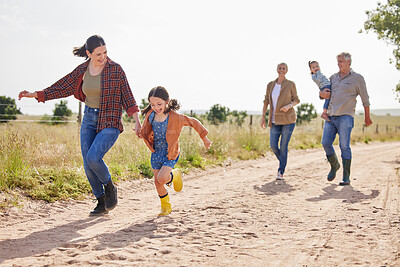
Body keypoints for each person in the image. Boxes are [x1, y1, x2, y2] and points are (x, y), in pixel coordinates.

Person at [18, 35, 142, 216]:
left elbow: (128, 97)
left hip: (110, 119)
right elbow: (61, 87)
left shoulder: (115, 70)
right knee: (87, 163)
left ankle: (109, 187)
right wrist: (35, 94)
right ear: (89, 53)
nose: (103, 57)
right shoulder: (82, 70)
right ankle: (101, 201)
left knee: (93, 157)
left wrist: (138, 122)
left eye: (105, 52)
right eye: (98, 54)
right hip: (89, 118)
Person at [140, 86, 212, 216]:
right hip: (156, 152)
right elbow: (145, 129)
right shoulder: (151, 115)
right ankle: (166, 207)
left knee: (162, 179)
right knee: (157, 182)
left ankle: (174, 175)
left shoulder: (175, 117)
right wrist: (140, 133)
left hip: (170, 153)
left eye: (159, 104)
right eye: (152, 104)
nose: (156, 107)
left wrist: (204, 137)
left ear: (167, 101)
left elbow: (193, 122)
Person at [319, 52, 372, 186]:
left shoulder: (357, 78)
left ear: (349, 62)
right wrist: (321, 94)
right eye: (338, 61)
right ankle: (334, 165)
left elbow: (365, 99)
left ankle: (346, 177)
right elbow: (324, 93)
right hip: (331, 116)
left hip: (346, 117)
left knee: (344, 146)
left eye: (341, 61)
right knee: (325, 143)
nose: (339, 64)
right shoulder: (333, 78)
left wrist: (367, 117)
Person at [261, 63, 300, 180]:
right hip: (274, 120)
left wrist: (288, 106)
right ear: (277, 70)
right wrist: (263, 116)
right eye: (280, 68)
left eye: (283, 68)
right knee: (273, 145)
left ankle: (281, 171)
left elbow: (296, 100)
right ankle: (283, 160)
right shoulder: (270, 85)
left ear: (286, 71)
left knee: (283, 146)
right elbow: (266, 101)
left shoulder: (290, 84)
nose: (281, 70)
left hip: (288, 120)